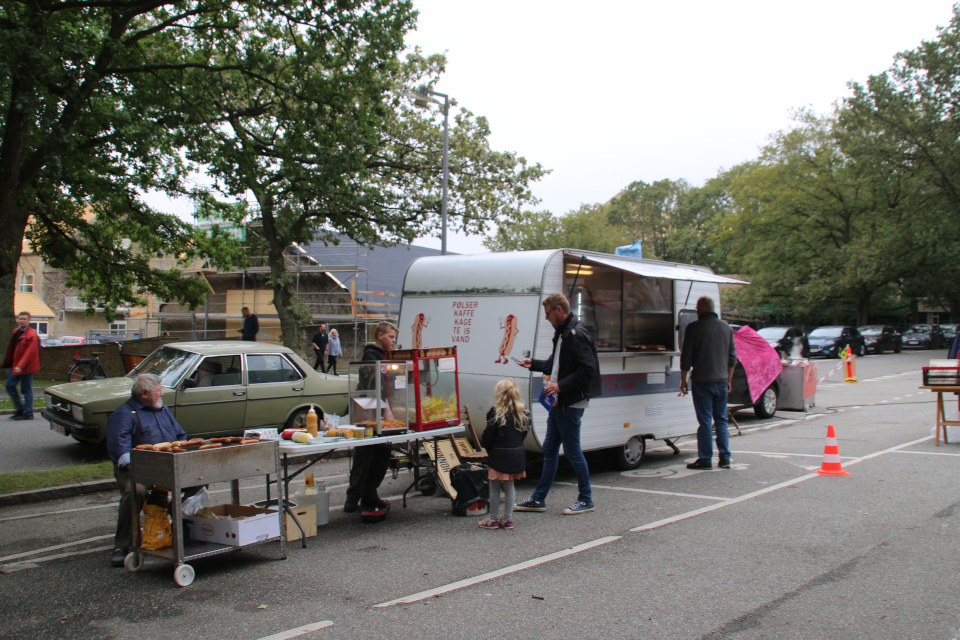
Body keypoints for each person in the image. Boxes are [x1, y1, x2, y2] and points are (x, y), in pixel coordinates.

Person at [515, 292, 601, 516]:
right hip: (559, 403)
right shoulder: (564, 333)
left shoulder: (576, 334)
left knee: (572, 452)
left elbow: (587, 370)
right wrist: (533, 363)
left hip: (570, 402)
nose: (547, 318)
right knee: (550, 451)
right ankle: (538, 499)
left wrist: (560, 386)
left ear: (559, 310)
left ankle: (586, 499)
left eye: (548, 313)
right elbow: (556, 365)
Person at [105, 374, 188, 567]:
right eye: (158, 390)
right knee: (136, 491)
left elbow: (181, 435)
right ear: (143, 394)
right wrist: (141, 470)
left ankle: (180, 530)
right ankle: (123, 545)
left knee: (198, 480)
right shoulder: (124, 413)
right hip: (135, 469)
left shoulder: (163, 410)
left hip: (167, 466)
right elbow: (120, 449)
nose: (161, 393)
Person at [344, 322, 398, 515]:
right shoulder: (371, 356)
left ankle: (370, 493)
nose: (393, 341)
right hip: (368, 411)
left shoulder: (386, 356)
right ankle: (353, 498)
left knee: (382, 455)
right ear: (380, 335)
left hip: (382, 410)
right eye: (391, 337)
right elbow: (374, 385)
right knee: (365, 456)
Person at [679, 296, 737, 470]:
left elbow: (686, 357)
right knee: (721, 420)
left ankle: (705, 459)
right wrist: (728, 380)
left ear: (699, 310)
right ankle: (725, 458)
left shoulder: (693, 328)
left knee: (705, 421)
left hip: (702, 381)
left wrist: (683, 379)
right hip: (721, 381)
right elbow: (732, 358)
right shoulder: (726, 328)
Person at [477, 379, 530, 530]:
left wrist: (487, 447)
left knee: (494, 485)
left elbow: (488, 437)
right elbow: (524, 433)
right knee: (510, 486)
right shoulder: (523, 412)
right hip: (517, 454)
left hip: (499, 456)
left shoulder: (496, 413)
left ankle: (493, 519)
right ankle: (508, 519)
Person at [3, 311, 40, 421]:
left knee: (26, 390)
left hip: (26, 367)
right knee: (9, 385)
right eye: (20, 319)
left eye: (24, 319)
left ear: (29, 321)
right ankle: (19, 409)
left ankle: (28, 413)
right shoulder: (16, 331)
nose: (22, 321)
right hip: (16, 365)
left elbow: (29, 352)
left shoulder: (31, 334)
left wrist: (20, 366)